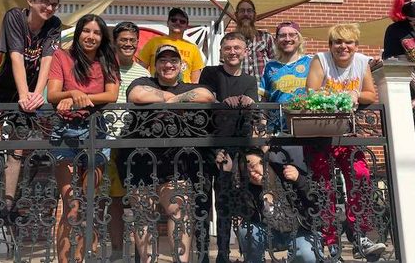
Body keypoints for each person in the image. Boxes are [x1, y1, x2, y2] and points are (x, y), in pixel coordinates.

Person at [122, 44, 215, 262]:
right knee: (143, 215)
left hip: (177, 162)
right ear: (156, 65)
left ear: (181, 65)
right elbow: (135, 95)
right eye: (163, 60)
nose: (168, 64)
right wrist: (170, 97)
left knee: (179, 213)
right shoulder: (143, 82)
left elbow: (206, 95)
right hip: (142, 159)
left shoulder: (191, 85)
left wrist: (171, 99)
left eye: (173, 60)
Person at [305, 23, 386, 260]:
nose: (343, 47)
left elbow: (371, 94)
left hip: (348, 134)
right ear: (330, 45)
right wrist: (341, 96)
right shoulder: (320, 60)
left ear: (356, 45)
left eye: (348, 42)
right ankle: (330, 241)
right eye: (338, 42)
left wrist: (356, 94)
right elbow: (312, 91)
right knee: (325, 185)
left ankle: (360, 234)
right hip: (321, 132)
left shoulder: (361, 62)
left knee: (360, 176)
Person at [0, 0, 64, 218]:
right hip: (0, 88)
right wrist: (23, 95)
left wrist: (35, 96)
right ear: (30, 1)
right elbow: (16, 57)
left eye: (54, 4)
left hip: (27, 91)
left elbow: (47, 62)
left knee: (17, 147)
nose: (49, 8)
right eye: (44, 2)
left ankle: (8, 205)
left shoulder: (54, 25)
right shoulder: (15, 17)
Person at [47, 14, 120, 263]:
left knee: (90, 203)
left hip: (95, 131)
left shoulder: (107, 60)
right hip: (65, 131)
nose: (90, 36)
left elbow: (111, 94)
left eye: (96, 33)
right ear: (78, 33)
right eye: (86, 31)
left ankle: (85, 258)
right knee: (71, 205)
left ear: (102, 38)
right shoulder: (62, 56)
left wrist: (79, 99)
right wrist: (72, 92)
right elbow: (53, 94)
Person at [198, 32, 259, 262]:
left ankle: (223, 253)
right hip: (209, 146)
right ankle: (203, 253)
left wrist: (246, 102)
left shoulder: (250, 81)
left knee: (225, 203)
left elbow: (251, 110)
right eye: (228, 48)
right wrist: (223, 103)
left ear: (245, 52)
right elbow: (205, 100)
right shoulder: (211, 73)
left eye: (237, 48)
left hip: (233, 150)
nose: (232, 52)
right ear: (222, 51)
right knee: (203, 203)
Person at [216, 148, 323, 263]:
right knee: (246, 229)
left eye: (253, 166)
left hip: (299, 231)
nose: (252, 173)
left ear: (264, 162)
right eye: (246, 171)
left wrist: (299, 179)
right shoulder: (248, 190)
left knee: (307, 254)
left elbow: (316, 201)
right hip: (268, 234)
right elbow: (228, 207)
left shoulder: (284, 175)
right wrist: (226, 173)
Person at [105, 21, 150, 259]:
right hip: (108, 141)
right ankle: (116, 252)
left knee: (139, 201)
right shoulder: (103, 68)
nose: (128, 44)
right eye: (124, 39)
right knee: (113, 201)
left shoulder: (143, 73)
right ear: (114, 41)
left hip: (134, 143)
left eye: (133, 40)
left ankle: (140, 255)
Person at [259, 21, 311, 167]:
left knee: (306, 179)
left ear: (299, 38)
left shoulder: (311, 62)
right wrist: (262, 134)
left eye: (291, 34)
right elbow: (264, 102)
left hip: (305, 131)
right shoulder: (270, 66)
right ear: (276, 40)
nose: (287, 38)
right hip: (277, 131)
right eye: (282, 35)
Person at [138, 8, 205, 83]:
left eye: (182, 21)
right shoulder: (153, 42)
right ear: (168, 23)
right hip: (157, 88)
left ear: (186, 26)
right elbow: (140, 70)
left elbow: (196, 79)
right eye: (174, 20)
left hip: (184, 91)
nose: (178, 23)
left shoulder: (193, 48)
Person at [234, 0, 275, 84]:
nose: (246, 14)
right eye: (242, 11)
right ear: (236, 15)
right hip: (239, 91)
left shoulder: (266, 37)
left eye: (249, 11)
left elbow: (277, 64)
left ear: (254, 15)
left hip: (264, 92)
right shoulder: (230, 41)